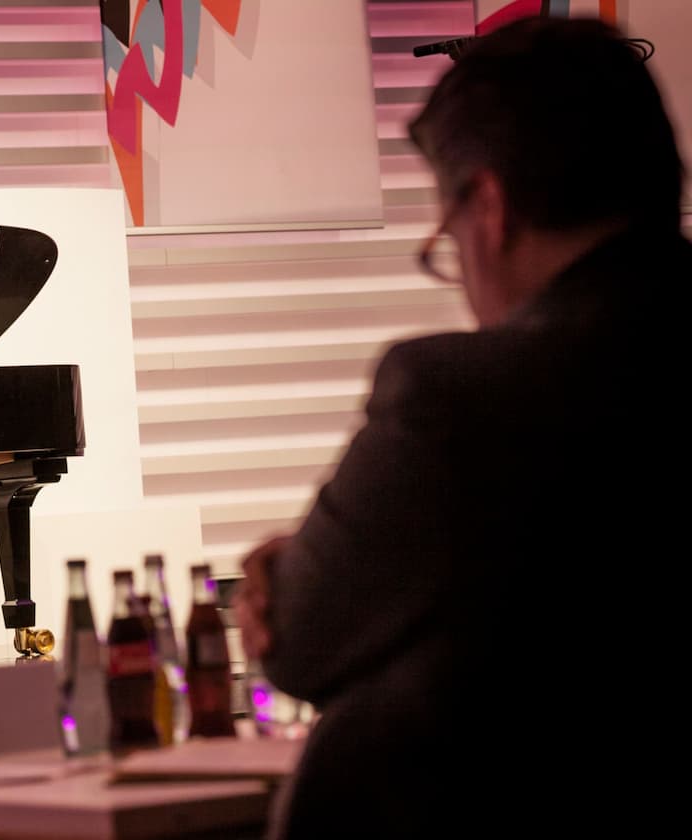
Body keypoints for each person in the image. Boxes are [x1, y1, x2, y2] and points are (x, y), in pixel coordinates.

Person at [231, 16, 687, 839]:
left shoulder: (465, 397)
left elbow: (302, 642)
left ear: (489, 203)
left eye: (446, 236)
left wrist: (286, 574)